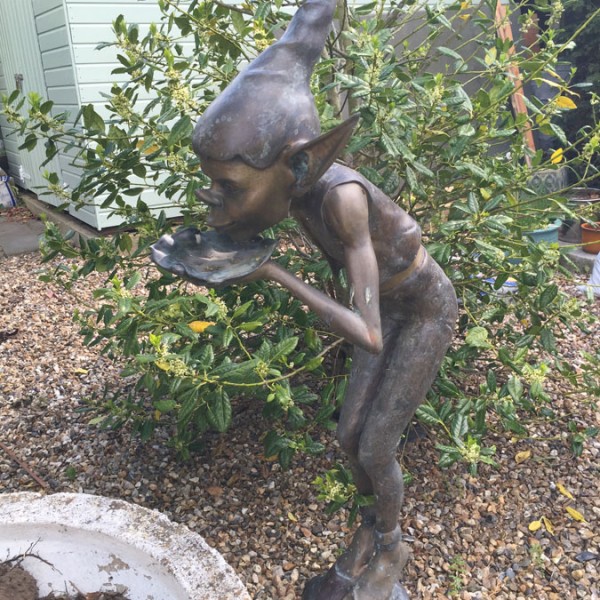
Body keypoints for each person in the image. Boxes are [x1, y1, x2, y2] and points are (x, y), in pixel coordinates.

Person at [190, 1, 458, 598]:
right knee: (347, 438)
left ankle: (392, 546)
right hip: (384, 305)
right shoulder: (295, 189)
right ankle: (369, 531)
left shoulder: (342, 201)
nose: (215, 201)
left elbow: (369, 335)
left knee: (377, 445)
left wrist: (272, 272)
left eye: (227, 188)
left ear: (301, 164)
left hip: (421, 311)